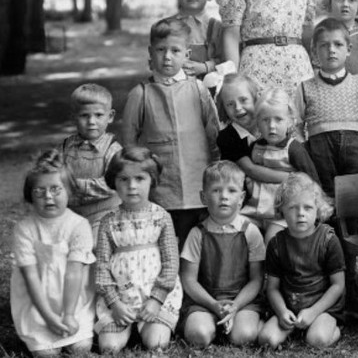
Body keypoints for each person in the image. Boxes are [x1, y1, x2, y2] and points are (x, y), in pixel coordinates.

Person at [120, 18, 220, 245]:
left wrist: (214, 173)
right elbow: (129, 142)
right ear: (150, 52)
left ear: (187, 54)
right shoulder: (141, 94)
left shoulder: (198, 89)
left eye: (175, 50)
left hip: (198, 186)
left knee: (196, 245)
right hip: (161, 189)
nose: (167, 57)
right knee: (163, 244)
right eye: (160, 50)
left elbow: (213, 134)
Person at [94, 147, 184, 353]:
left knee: (156, 343)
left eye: (140, 178)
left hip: (154, 297)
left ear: (152, 180)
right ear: (114, 182)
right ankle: (125, 326)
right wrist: (114, 303)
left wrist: (156, 300)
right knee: (109, 347)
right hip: (121, 299)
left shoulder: (161, 217)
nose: (132, 186)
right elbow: (102, 267)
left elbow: (171, 264)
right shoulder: (108, 222)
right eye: (123, 179)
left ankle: (149, 326)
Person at [11, 150, 95, 356]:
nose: (48, 196)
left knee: (81, 348)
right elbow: (30, 276)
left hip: (74, 302)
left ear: (70, 192)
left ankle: (74, 323)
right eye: (39, 191)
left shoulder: (79, 225)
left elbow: (74, 272)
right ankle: (40, 330)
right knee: (46, 354)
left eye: (56, 189)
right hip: (37, 304)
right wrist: (48, 316)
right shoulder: (24, 229)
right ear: (30, 195)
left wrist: (68, 315)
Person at [180, 161, 265, 348]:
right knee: (198, 335)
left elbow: (256, 279)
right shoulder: (197, 234)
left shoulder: (250, 232)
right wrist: (213, 305)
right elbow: (188, 279)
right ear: (203, 197)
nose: (224, 197)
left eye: (232, 191)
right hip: (205, 300)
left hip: (242, 301)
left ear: (242, 197)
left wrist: (235, 306)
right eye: (216, 190)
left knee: (243, 336)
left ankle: (245, 323)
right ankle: (210, 325)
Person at [258, 173, 345, 349]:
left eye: (307, 208)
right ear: (281, 210)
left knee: (316, 340)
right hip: (290, 306)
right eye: (292, 208)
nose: (301, 214)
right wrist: (282, 311)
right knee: (267, 340)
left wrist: (313, 312)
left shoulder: (328, 240)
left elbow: (338, 286)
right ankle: (294, 325)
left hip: (322, 308)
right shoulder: (276, 244)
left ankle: (333, 328)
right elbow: (272, 287)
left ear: (318, 209)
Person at [293, 18, 358, 197]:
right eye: (324, 46)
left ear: (349, 50)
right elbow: (296, 124)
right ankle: (329, 224)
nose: (331, 50)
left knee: (354, 195)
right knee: (326, 195)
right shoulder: (305, 87)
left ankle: (354, 225)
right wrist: (305, 148)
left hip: (355, 146)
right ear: (314, 52)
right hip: (319, 149)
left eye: (338, 44)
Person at [242, 88, 319, 239]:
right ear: (257, 121)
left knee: (272, 239)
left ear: (290, 120)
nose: (272, 126)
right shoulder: (254, 147)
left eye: (278, 119)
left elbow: (312, 181)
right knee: (238, 231)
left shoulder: (294, 149)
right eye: (265, 120)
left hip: (282, 215)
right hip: (254, 211)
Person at [56, 83, 122, 231]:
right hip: (72, 214)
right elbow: (53, 174)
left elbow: (113, 185)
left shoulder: (113, 149)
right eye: (84, 115)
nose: (91, 122)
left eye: (98, 115)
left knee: (94, 244)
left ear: (110, 116)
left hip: (105, 215)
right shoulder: (66, 146)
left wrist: (73, 185)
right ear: (74, 117)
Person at [168, 0, 223, 79]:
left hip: (207, 90)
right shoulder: (167, 26)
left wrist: (205, 67)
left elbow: (227, 62)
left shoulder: (216, 27)